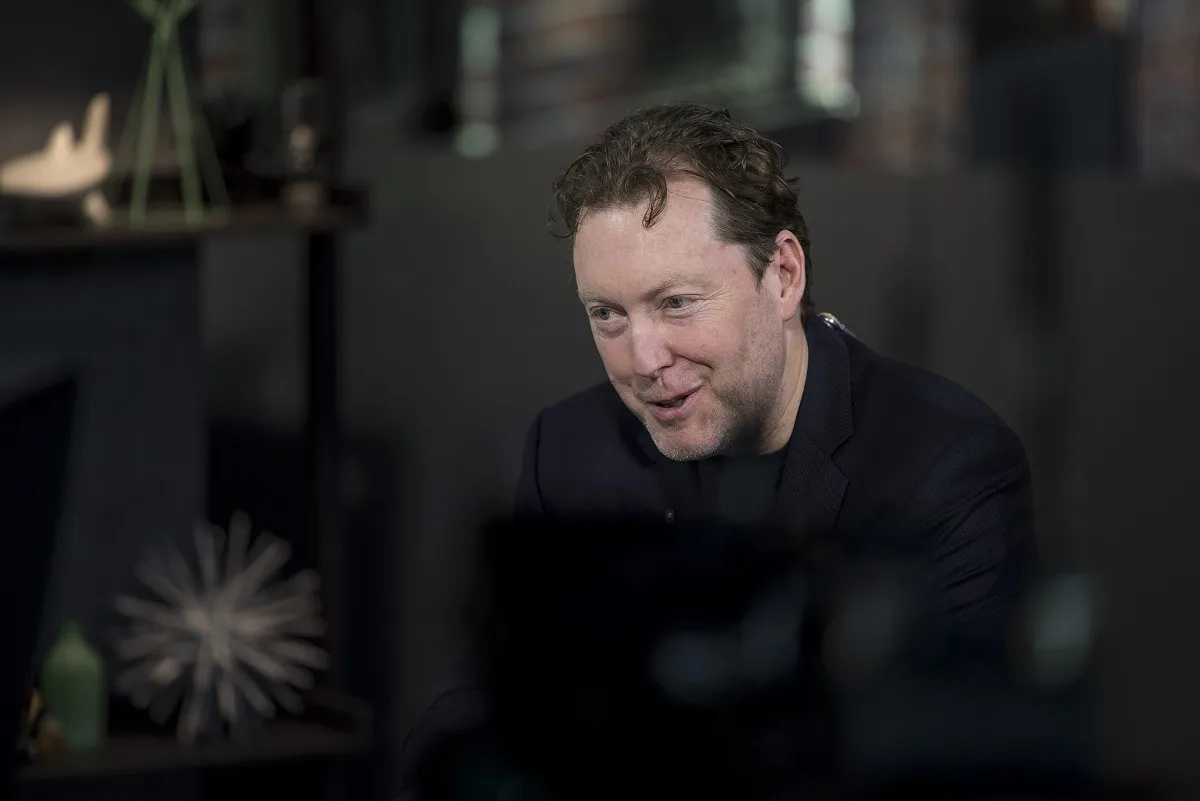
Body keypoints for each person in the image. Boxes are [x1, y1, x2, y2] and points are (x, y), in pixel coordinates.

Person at [400, 102, 1035, 798]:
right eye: (606, 313)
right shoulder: (570, 447)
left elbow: (949, 772)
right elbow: (477, 710)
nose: (642, 359)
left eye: (675, 302)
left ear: (784, 274)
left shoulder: (949, 466)